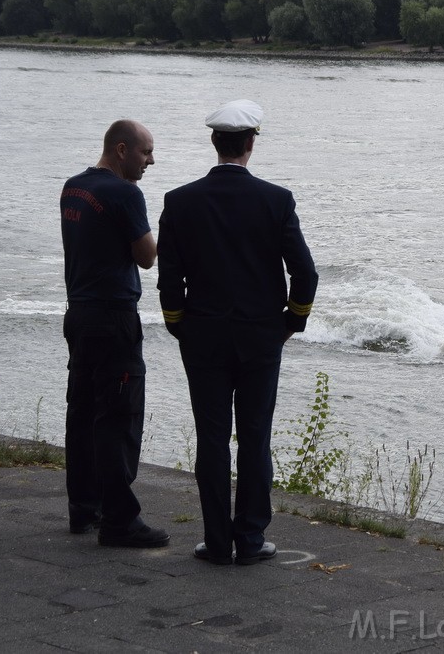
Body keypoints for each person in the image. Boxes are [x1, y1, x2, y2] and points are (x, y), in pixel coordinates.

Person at [157, 100, 319, 566]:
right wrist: (292, 322)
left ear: (215, 142)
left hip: (202, 336)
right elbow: (304, 274)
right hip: (260, 337)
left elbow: (170, 279)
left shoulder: (179, 200)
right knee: (254, 436)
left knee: (210, 438)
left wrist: (177, 324)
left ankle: (216, 541)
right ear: (250, 144)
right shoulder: (277, 199)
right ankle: (249, 539)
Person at [60, 120, 169, 549]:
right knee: (118, 417)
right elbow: (146, 257)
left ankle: (83, 508)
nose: (151, 161)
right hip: (115, 318)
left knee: (82, 413)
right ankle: (120, 520)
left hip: (79, 313)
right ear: (121, 150)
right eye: (146, 152)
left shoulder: (72, 187)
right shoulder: (125, 193)